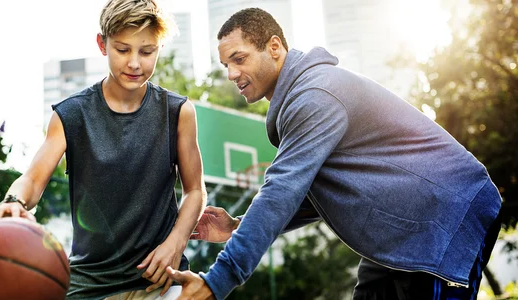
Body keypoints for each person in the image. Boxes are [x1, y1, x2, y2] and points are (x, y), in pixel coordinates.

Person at [166, 7, 502, 300]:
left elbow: (281, 190)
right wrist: (239, 226)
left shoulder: (315, 94)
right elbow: (312, 195)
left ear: (274, 47)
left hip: (442, 219)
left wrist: (216, 282)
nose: (232, 74)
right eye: (226, 64)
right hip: (398, 236)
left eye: (239, 59)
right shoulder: (302, 100)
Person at [0, 0, 207, 299]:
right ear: (102, 44)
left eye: (147, 52)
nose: (135, 63)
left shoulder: (178, 111)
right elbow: (33, 179)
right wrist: (12, 200)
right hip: (88, 283)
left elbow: (195, 191)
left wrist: (176, 242)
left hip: (161, 279)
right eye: (123, 49)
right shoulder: (71, 114)